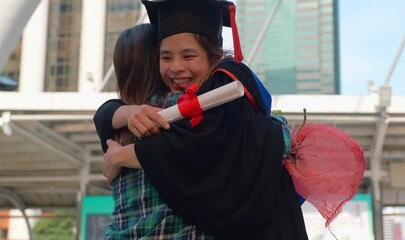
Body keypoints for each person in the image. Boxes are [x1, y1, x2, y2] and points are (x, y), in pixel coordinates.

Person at [95, 0, 309, 239]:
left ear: (212, 56)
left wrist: (122, 152)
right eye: (165, 58)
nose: (176, 67)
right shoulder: (160, 110)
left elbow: (204, 141)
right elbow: (204, 143)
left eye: (188, 56)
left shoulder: (227, 87)